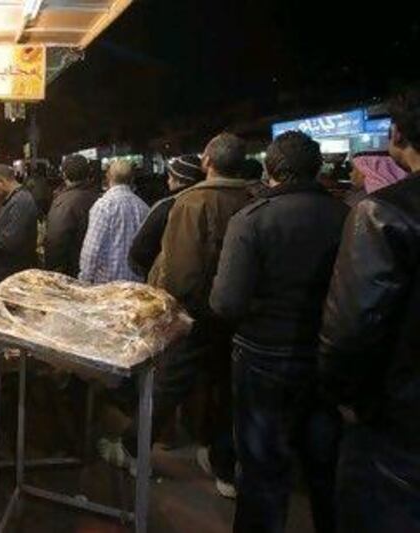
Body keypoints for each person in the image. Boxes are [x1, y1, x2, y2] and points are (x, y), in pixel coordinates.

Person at [210, 131, 348, 533]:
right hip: (324, 358)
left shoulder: (252, 220)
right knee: (323, 469)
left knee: (263, 473)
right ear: (316, 169)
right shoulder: (347, 216)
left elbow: (226, 303)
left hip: (262, 358)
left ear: (270, 169)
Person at [319, 88, 420, 533]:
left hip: (396, 430)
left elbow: (351, 332)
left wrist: (345, 401)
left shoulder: (383, 213)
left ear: (396, 136)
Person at [147, 132, 254, 497]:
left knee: (169, 382)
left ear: (208, 161)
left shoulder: (192, 202)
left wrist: (171, 309)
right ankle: (223, 466)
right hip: (239, 315)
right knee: (226, 388)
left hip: (196, 313)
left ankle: (133, 448)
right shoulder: (252, 198)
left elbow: (181, 270)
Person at [128, 154, 206, 278]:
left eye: (170, 177)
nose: (168, 181)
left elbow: (138, 252)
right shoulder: (210, 201)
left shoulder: (166, 206)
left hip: (169, 280)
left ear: (180, 180)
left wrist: (154, 272)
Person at [77, 160, 151, 284]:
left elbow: (92, 250)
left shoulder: (103, 206)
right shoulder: (143, 207)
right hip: (135, 283)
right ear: (132, 179)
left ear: (108, 177)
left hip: (107, 284)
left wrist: (84, 279)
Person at [44, 155, 101, 278]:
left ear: (64, 174)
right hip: (95, 268)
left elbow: (55, 239)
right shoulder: (99, 197)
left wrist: (52, 271)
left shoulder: (64, 202)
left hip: (71, 270)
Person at [0, 164, 38, 285]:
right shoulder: (15, 198)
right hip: (7, 272)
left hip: (12, 274)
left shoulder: (21, 201)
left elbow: (10, 242)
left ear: (1, 181)